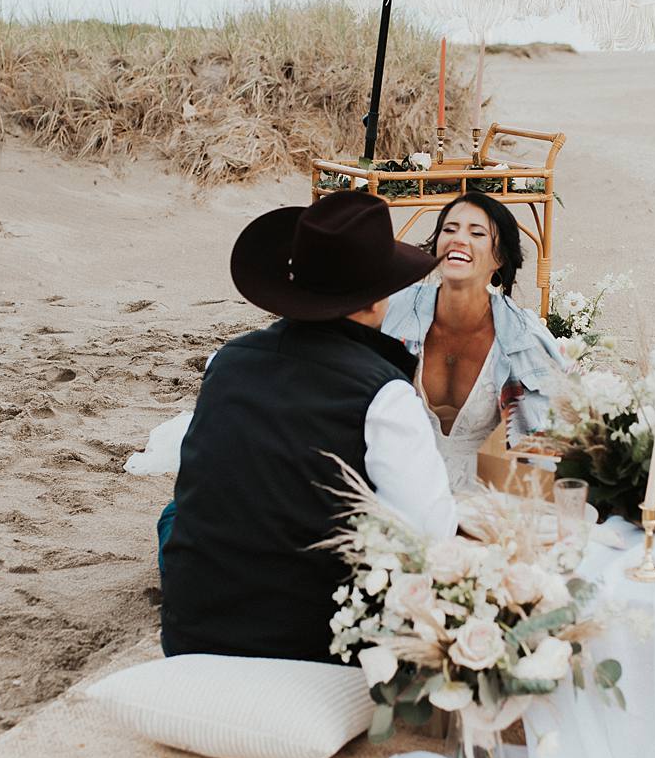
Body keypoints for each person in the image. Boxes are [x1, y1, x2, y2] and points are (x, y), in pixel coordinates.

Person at [159, 190, 456, 662]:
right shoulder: (384, 395)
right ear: (379, 298)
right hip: (309, 647)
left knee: (175, 515)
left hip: (190, 632)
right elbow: (428, 537)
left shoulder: (225, 362)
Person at [383, 191, 567, 493]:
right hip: (396, 484)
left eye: (476, 233)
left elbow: (549, 443)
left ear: (500, 257)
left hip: (483, 496)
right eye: (449, 229)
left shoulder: (522, 337)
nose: (459, 239)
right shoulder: (394, 311)